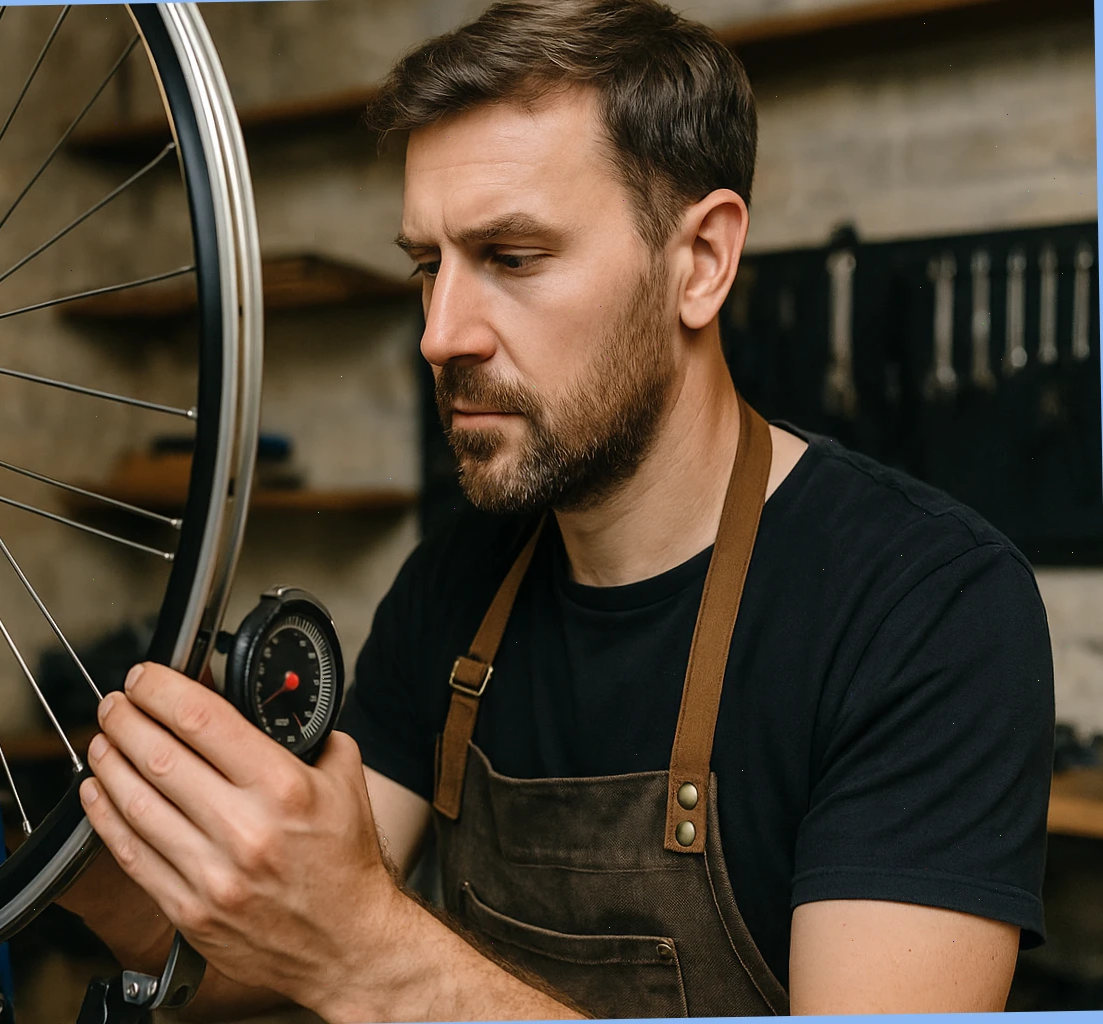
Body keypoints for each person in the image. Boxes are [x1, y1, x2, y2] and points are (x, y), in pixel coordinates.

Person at [56, 0, 1055, 1017]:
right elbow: (268, 950)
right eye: (426, 265)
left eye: (513, 258)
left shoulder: (927, 609)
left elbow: (347, 940)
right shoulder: (455, 581)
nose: (441, 333)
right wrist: (64, 862)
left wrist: (374, 950)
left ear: (700, 261)